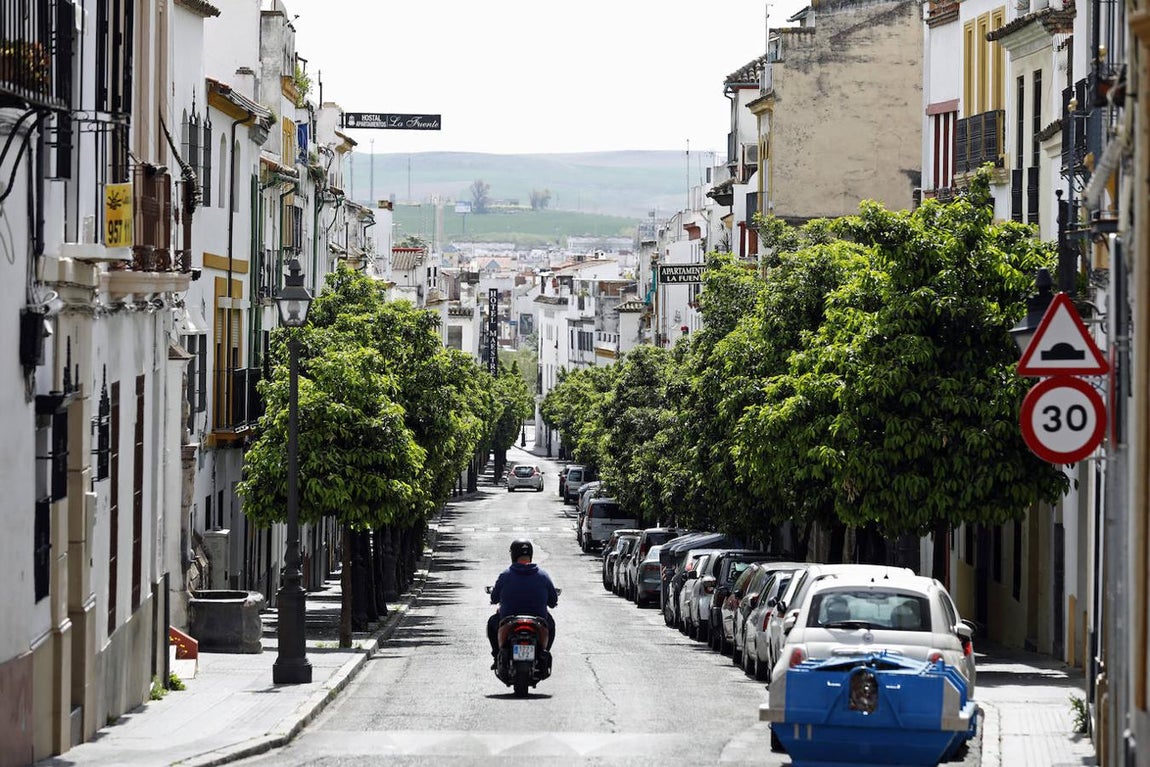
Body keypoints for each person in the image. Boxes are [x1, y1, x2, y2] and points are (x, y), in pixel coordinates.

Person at [487, 539, 558, 668]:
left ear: (513, 555)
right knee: (551, 626)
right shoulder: (543, 576)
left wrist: (495, 599)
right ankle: (544, 653)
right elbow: (553, 601)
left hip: (509, 620)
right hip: (538, 621)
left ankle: (496, 656)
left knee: (492, 623)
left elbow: (494, 597)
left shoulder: (505, 575)